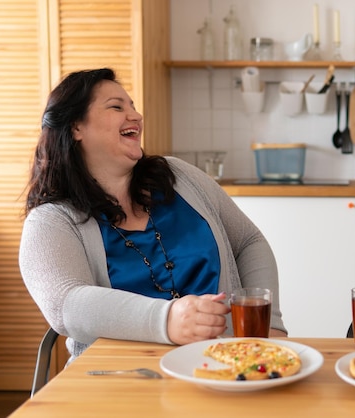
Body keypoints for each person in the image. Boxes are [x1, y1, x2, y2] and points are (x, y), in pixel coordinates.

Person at [19, 68, 287, 361]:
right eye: (117, 107)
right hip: (121, 382)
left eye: (133, 106)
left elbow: (249, 242)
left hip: (225, 365)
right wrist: (167, 320)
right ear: (75, 127)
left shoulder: (181, 177)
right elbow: (65, 305)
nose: (135, 116)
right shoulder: (52, 220)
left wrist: (268, 324)